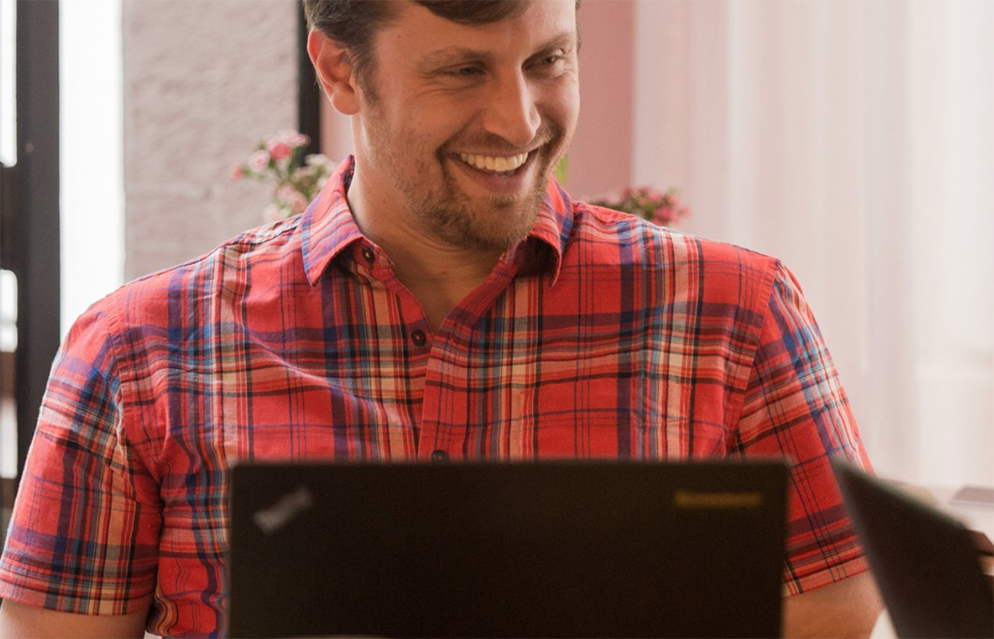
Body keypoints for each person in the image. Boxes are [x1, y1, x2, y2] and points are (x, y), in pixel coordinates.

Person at [0, 0, 883, 637]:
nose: (519, 121)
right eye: (462, 70)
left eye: (549, 61)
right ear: (339, 71)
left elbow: (838, 605)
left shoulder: (736, 311)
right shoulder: (137, 349)